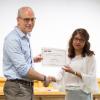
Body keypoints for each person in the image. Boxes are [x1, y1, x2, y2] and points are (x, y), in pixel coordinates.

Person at [3, 6, 55, 100]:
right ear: (18, 20)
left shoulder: (24, 37)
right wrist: (44, 78)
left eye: (32, 19)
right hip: (18, 88)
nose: (30, 23)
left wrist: (32, 59)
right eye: (26, 19)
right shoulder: (13, 39)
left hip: (25, 87)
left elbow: (19, 62)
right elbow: (23, 70)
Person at [53, 28, 98, 100]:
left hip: (84, 94)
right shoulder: (67, 56)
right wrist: (51, 78)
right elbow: (60, 74)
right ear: (72, 40)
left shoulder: (90, 57)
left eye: (81, 40)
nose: (78, 42)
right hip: (69, 94)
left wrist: (74, 72)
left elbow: (91, 78)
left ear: (85, 42)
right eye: (76, 39)